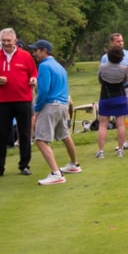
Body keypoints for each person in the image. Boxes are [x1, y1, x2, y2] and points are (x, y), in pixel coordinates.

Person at [0, 28, 38, 178]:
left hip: (23, 99)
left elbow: (33, 72)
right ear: (0, 41)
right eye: (4, 41)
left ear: (15, 40)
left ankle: (24, 165)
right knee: (1, 135)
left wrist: (33, 79)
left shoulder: (25, 56)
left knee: (25, 133)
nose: (6, 43)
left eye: (9, 40)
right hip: (3, 100)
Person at [29, 40, 82, 185]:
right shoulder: (59, 66)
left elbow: (44, 90)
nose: (34, 54)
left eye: (36, 51)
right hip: (62, 105)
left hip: (50, 105)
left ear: (44, 50)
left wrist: (37, 109)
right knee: (65, 135)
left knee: (40, 140)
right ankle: (74, 164)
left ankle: (56, 173)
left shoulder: (45, 66)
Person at [100, 32, 128, 150]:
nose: (121, 43)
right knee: (120, 117)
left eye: (122, 41)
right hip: (115, 90)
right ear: (112, 43)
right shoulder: (105, 57)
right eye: (118, 41)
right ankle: (124, 141)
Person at [95, 47, 128, 159]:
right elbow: (125, 81)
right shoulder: (124, 69)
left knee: (103, 125)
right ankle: (120, 150)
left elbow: (100, 80)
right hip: (120, 97)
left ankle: (100, 151)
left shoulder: (102, 67)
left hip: (106, 97)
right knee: (121, 124)